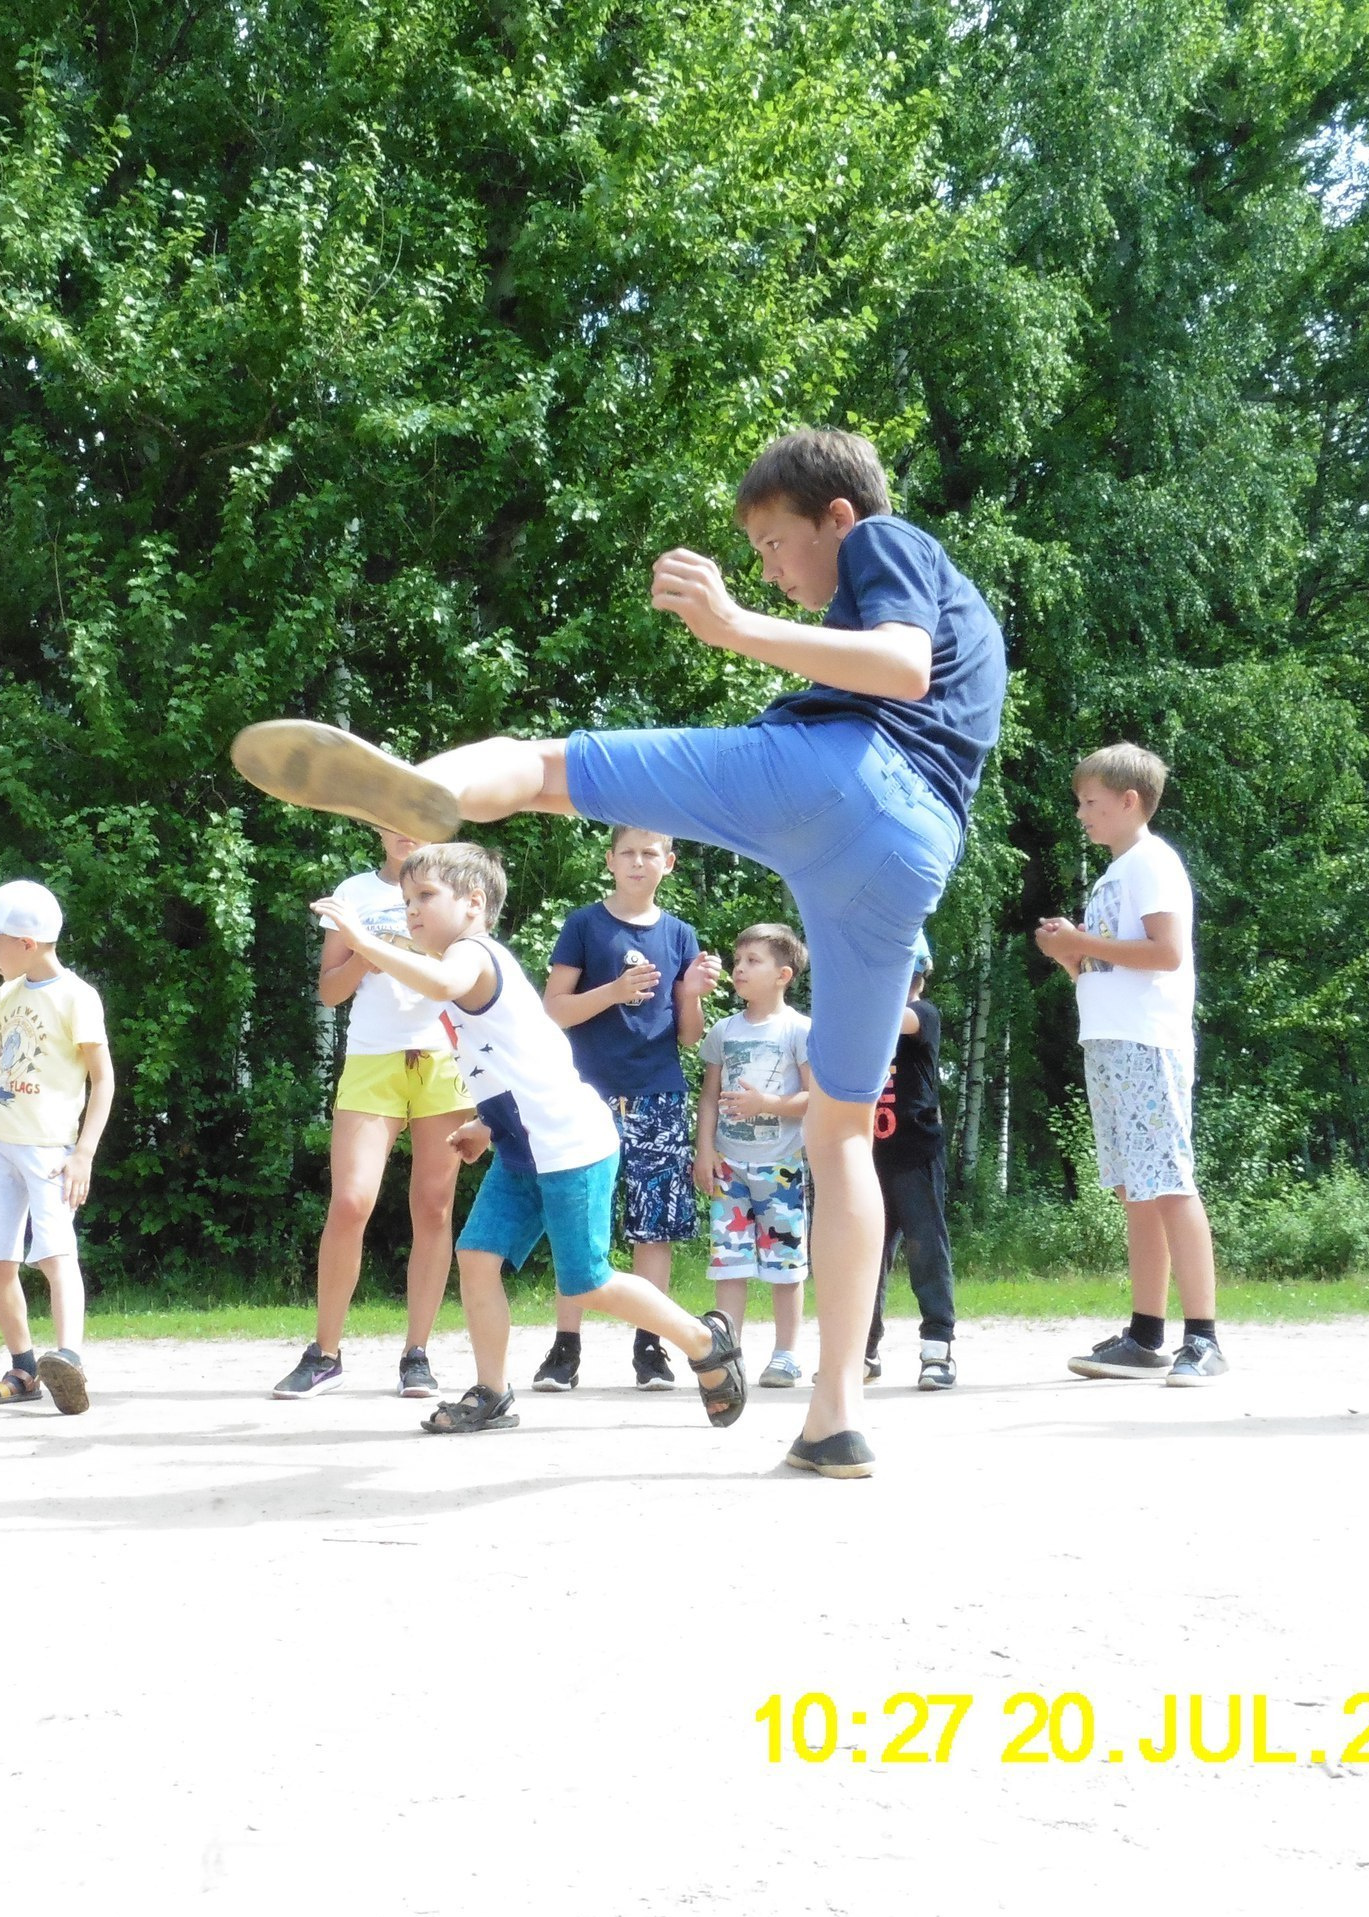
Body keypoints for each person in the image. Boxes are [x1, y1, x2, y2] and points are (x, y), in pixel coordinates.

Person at [233, 427, 1006, 1475]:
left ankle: (422, 798)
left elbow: (901, 666)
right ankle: (834, 1413)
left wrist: (736, 626)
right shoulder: (972, 626)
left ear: (836, 518)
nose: (771, 568)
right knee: (839, 1136)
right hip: (906, 864)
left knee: (549, 769)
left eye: (775, 545)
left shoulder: (885, 540)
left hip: (847, 777)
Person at [311, 842, 747, 1435]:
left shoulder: (470, 954)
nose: (409, 909)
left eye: (424, 897)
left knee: (588, 1280)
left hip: (569, 1145)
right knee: (477, 1255)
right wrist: (487, 1124)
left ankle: (705, 1340)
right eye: (407, 898)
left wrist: (362, 940)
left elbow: (439, 983)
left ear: (473, 903)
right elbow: (516, 1060)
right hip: (524, 1146)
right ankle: (492, 1393)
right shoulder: (462, 960)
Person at [1036, 744, 1225, 1387]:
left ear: (1129, 801)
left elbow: (1167, 953)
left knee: (1168, 1183)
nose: (1081, 815)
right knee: (1135, 1190)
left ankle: (1204, 1339)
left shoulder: (1152, 863)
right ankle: (1146, 1336)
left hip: (1149, 1042)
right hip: (1111, 1041)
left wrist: (1082, 941)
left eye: (1090, 803)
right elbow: (1109, 965)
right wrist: (1070, 954)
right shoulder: (1113, 874)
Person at [272, 828, 470, 1400]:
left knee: (433, 1209)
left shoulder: (455, 889)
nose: (405, 829)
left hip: (442, 1058)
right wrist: (364, 951)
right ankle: (325, 1353)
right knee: (351, 1201)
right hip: (371, 1058)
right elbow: (329, 993)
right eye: (392, 815)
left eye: (417, 814)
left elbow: (472, 984)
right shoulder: (355, 890)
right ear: (377, 824)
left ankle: (417, 1354)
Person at [534, 825, 720, 1391]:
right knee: (578, 1222)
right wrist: (613, 992)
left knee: (653, 1227)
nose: (639, 862)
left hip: (658, 1092)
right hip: (585, 1095)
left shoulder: (681, 934)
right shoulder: (584, 924)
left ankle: (651, 1349)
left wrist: (690, 995)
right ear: (610, 860)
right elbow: (553, 1011)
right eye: (629, 853)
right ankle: (565, 1349)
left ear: (670, 862)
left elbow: (688, 1037)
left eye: (650, 853)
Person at [0, 880, 114, 1418]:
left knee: (56, 1257)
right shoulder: (7, 995)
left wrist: (83, 1152)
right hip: (0, 1143)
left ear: (27, 942)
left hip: (50, 1152)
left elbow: (103, 1080)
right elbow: (2, 1070)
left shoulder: (77, 997)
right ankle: (24, 1368)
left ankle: (69, 1359)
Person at [693, 923, 812, 1386]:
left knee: (786, 1267)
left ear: (783, 974)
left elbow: (814, 1097)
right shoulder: (724, 1030)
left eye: (752, 961)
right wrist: (705, 1150)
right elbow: (708, 1096)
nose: (739, 969)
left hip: (781, 1167)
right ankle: (728, 1354)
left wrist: (768, 1106)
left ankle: (785, 1354)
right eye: (737, 960)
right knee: (730, 1262)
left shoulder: (799, 1028)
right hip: (728, 1167)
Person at [865, 936, 958, 1389]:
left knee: (927, 1250)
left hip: (916, 1155)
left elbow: (892, 1019)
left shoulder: (923, 1015)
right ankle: (863, 1349)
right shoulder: (868, 1023)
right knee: (867, 1257)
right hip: (872, 1160)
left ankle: (937, 1347)